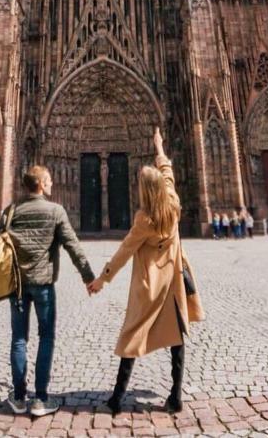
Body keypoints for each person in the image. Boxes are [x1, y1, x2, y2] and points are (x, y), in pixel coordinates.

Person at [88, 128, 204, 416]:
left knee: (132, 337)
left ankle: (116, 399)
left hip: (151, 285)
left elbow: (124, 251)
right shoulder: (173, 205)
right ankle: (175, 396)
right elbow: (167, 171)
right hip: (174, 281)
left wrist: (102, 279)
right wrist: (159, 146)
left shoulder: (144, 220)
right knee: (177, 340)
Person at [1, 163, 95, 417]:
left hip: (17, 285)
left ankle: (19, 397)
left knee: (19, 338)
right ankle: (41, 398)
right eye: (50, 180)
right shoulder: (55, 210)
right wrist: (89, 277)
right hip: (43, 286)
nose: (53, 184)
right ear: (41, 184)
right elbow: (72, 245)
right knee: (46, 337)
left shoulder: (11, 211)